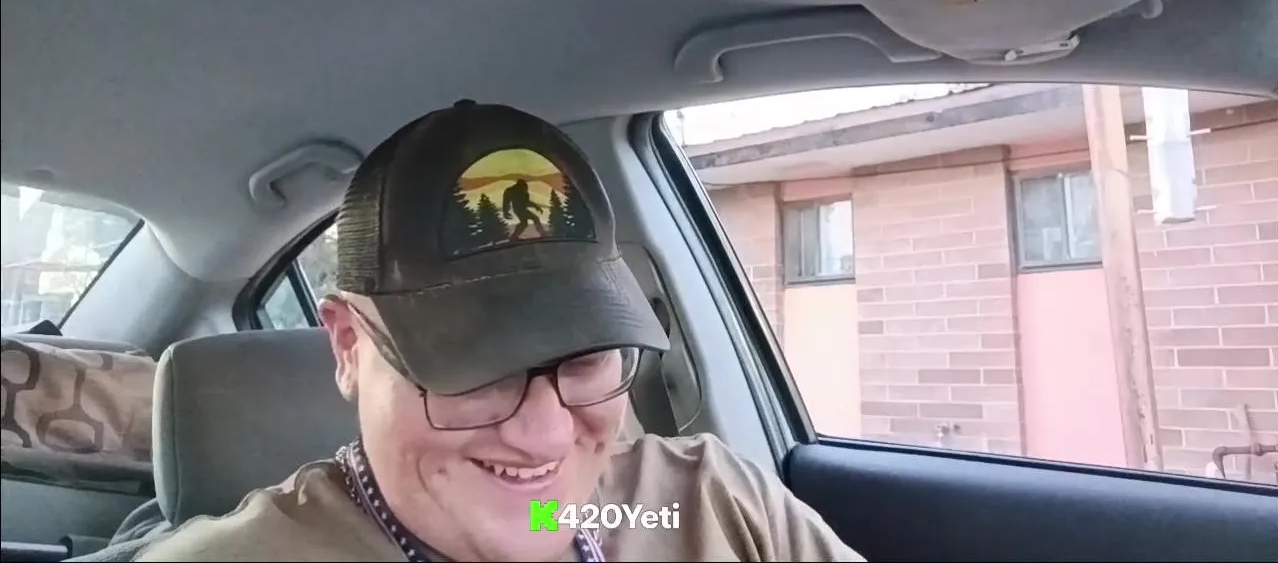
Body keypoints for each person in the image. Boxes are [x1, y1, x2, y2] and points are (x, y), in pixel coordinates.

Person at [135, 101, 864, 562]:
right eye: (476, 366)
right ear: (349, 346)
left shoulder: (706, 505)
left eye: (585, 358)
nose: (544, 437)